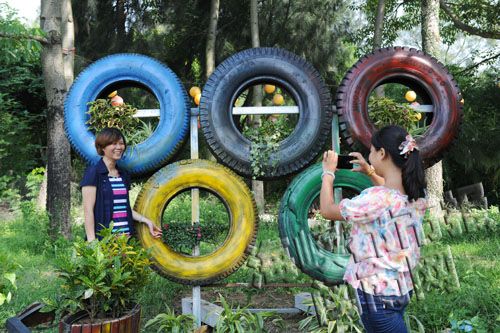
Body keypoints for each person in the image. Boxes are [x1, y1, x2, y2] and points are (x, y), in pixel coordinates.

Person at [320, 125, 427, 333]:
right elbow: (391, 191)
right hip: (402, 288)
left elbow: (327, 210)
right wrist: (370, 171)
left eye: (371, 151)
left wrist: (328, 173)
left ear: (382, 153)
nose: (369, 156)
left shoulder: (375, 199)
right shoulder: (417, 194)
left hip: (377, 297)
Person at [81, 127, 162, 241]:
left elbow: (124, 208)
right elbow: (88, 210)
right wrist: (92, 242)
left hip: (126, 240)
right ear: (103, 147)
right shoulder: (93, 172)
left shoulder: (123, 174)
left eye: (121, 143)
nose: (119, 147)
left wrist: (146, 221)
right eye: (114, 144)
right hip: (105, 240)